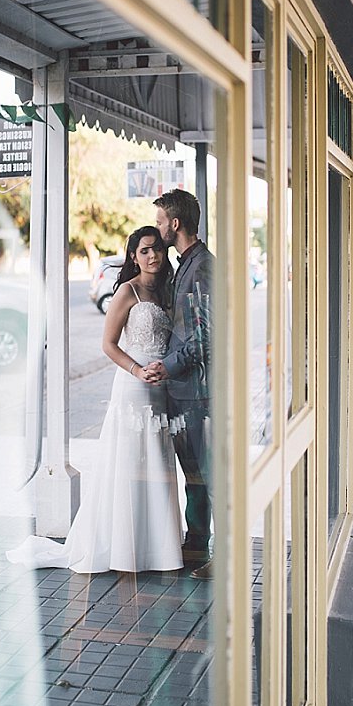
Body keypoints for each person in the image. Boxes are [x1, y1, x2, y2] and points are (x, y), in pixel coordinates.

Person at [6, 226, 183, 573]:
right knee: (129, 461)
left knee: (157, 462)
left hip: (162, 388)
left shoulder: (167, 290)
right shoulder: (128, 291)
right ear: (133, 257)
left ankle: (157, 549)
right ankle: (122, 547)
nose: (153, 256)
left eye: (157, 249)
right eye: (145, 251)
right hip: (133, 386)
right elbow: (108, 345)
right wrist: (137, 370)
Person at [147, 189, 215, 579]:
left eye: (160, 222)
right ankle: (196, 545)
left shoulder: (202, 267)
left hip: (198, 393)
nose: (158, 229)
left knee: (208, 475)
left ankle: (220, 556)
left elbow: (205, 336)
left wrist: (168, 366)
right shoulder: (184, 265)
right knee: (195, 475)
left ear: (175, 223)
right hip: (183, 391)